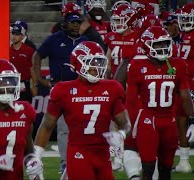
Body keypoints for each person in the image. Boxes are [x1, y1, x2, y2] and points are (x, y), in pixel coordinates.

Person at [34, 41, 131, 179]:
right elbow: (47, 124)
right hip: (78, 151)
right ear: (77, 63)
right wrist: (36, 156)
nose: (96, 67)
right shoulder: (63, 90)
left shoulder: (112, 88)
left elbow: (125, 123)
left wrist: (121, 134)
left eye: (99, 62)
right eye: (92, 62)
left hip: (103, 154)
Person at [126, 26, 194, 180]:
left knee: (166, 168)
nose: (163, 47)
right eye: (158, 44)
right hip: (148, 119)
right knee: (148, 166)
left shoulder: (178, 64)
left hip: (169, 120)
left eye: (166, 43)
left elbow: (185, 95)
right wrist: (127, 126)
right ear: (147, 46)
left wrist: (193, 121)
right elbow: (131, 101)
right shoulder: (137, 66)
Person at [32, 3, 87, 174]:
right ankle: (65, 162)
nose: (76, 25)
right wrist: (40, 79)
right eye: (72, 22)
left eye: (78, 22)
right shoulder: (54, 39)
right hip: (61, 88)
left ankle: (79, 157)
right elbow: (37, 55)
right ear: (64, 22)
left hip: (81, 88)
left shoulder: (84, 41)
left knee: (79, 126)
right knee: (62, 127)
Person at [177, 3, 194, 174]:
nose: (185, 21)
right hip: (183, 84)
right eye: (183, 18)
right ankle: (184, 161)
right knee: (180, 119)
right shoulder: (184, 34)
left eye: (188, 18)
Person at [105, 4, 139, 79]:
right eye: (116, 20)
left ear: (130, 20)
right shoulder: (111, 36)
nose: (116, 23)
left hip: (132, 79)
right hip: (114, 79)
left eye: (119, 20)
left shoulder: (138, 37)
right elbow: (108, 62)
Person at [10, 24, 37, 102]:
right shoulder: (7, 51)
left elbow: (32, 69)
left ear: (22, 36)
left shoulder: (29, 50)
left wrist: (34, 86)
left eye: (17, 34)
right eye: (13, 33)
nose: (14, 36)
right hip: (11, 85)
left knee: (26, 109)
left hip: (25, 85)